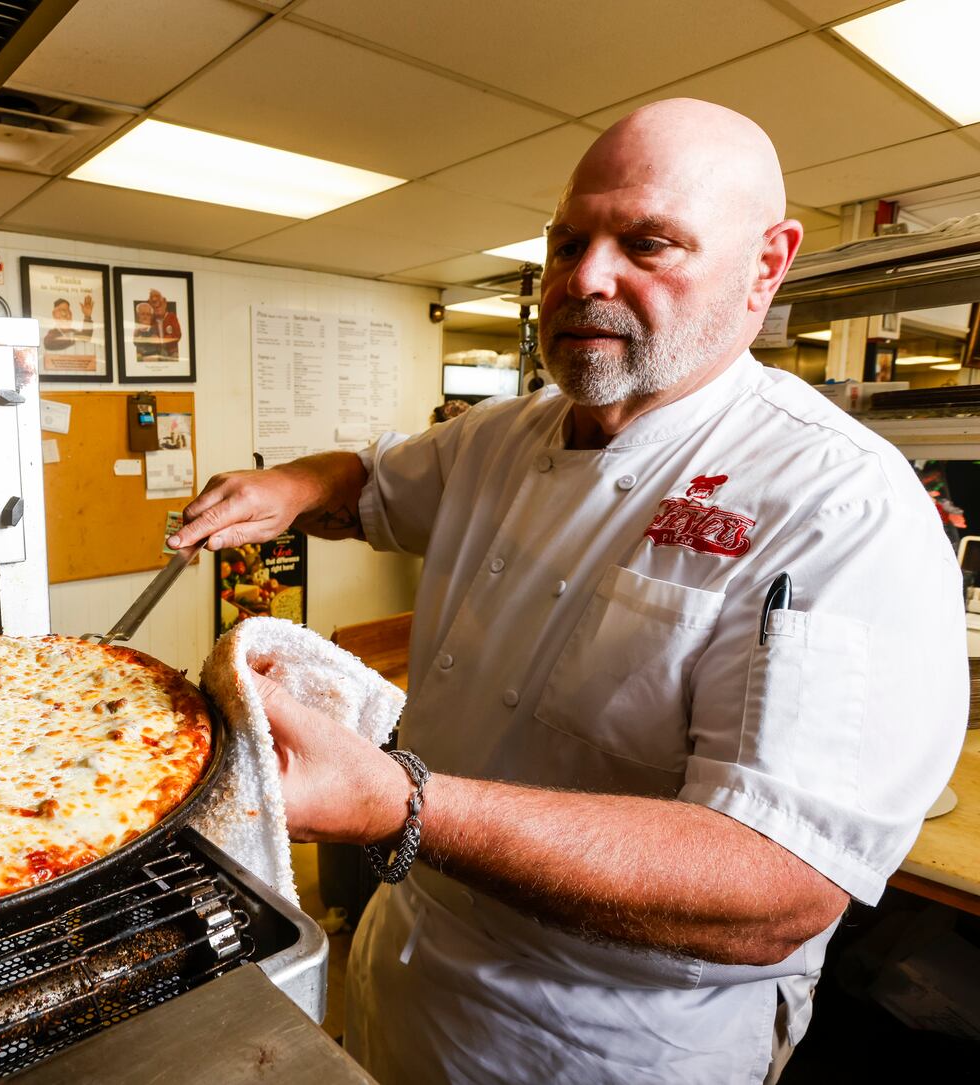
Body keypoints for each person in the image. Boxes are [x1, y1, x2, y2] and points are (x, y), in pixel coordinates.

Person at [167, 98, 966, 1084]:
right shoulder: (501, 435)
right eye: (567, 241)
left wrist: (401, 804)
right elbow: (368, 483)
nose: (584, 276)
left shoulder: (840, 505)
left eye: (649, 244)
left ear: (768, 263)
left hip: (604, 1045)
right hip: (406, 977)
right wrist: (286, 486)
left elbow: (774, 889)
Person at [149, 288, 182, 358]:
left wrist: (163, 339)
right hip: (156, 351)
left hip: (172, 350)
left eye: (159, 304)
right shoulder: (152, 320)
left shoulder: (171, 317)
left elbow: (177, 335)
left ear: (165, 303)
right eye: (154, 306)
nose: (157, 307)